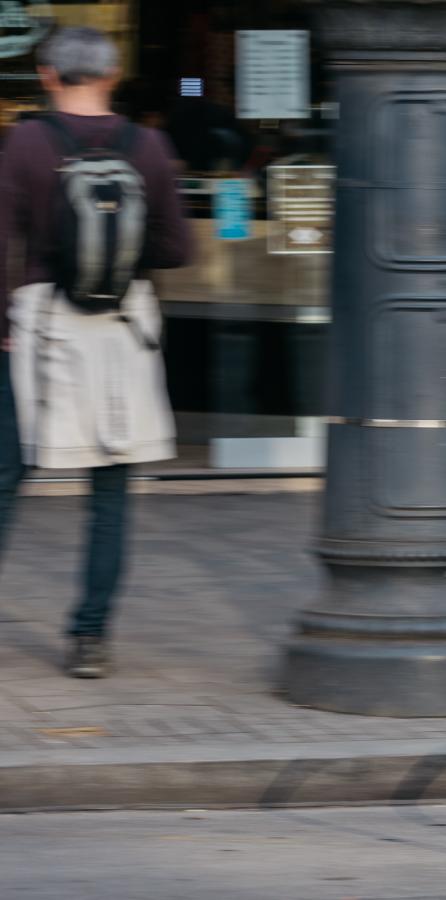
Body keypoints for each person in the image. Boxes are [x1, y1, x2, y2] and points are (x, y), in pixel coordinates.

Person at [0, 26, 192, 678]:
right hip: (118, 330)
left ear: (51, 74)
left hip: (39, 326)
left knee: (5, 477)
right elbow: (177, 250)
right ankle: (89, 638)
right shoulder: (150, 147)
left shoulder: (26, 141)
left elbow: (3, 241)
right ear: (111, 76)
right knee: (109, 494)